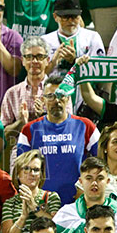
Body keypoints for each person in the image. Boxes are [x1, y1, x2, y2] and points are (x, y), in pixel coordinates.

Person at [16, 75, 100, 206]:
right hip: (40, 205)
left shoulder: (86, 126)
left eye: (61, 95)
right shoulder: (29, 130)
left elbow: (102, 162)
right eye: (50, 96)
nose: (56, 100)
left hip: (78, 204)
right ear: (43, 99)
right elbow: (22, 171)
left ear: (68, 98)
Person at [1, 151, 61, 233]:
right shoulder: (10, 203)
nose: (31, 173)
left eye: (36, 170)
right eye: (26, 169)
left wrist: (34, 206)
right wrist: (23, 217)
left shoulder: (51, 197)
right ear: (18, 174)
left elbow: (57, 228)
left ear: (41, 174)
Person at [1, 37, 51, 155]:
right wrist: (20, 122)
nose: (34, 61)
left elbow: (67, 128)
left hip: (51, 150)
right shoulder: (12, 93)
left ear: (47, 60)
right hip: (21, 153)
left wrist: (44, 117)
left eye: (39, 56)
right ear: (23, 61)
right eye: (29, 57)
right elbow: (4, 134)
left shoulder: (59, 91)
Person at [42, 0, 105, 84]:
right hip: (52, 91)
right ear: (55, 17)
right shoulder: (45, 41)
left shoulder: (92, 37)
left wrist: (74, 61)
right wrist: (53, 62)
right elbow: (37, 77)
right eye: (65, 17)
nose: (71, 21)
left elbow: (100, 73)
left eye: (74, 16)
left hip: (83, 90)